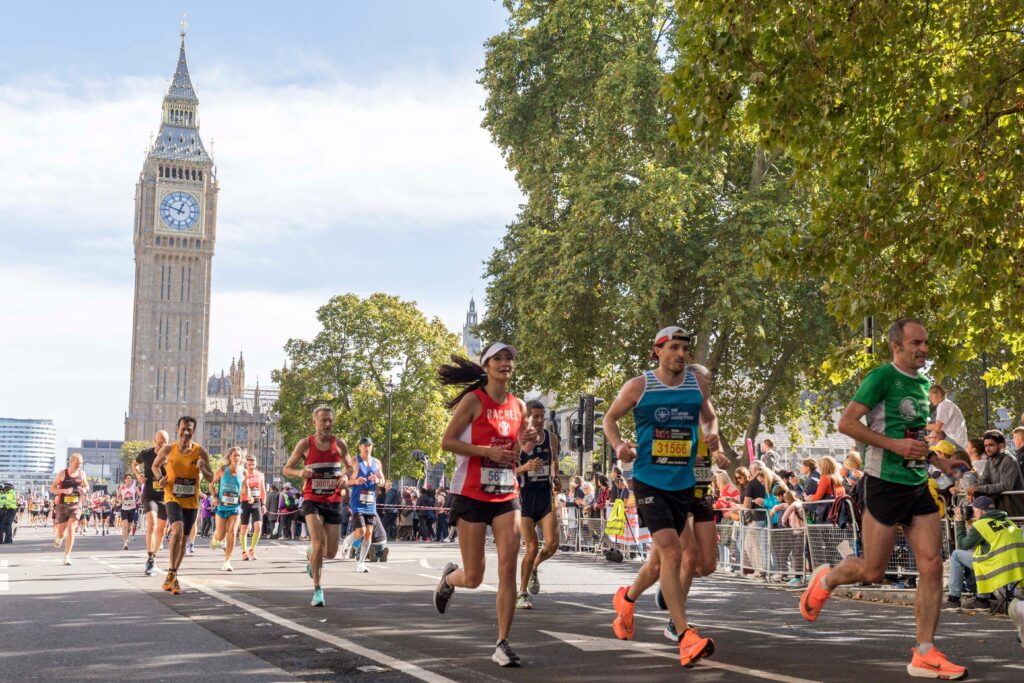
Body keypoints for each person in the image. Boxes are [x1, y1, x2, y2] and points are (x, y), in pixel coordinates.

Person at [800, 318, 967, 679]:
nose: (923, 349)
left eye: (925, 343)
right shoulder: (881, 378)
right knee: (873, 572)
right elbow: (846, 424)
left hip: (917, 484)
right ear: (897, 346)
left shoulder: (923, 384)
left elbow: (914, 438)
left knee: (933, 566)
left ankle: (924, 652)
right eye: (915, 343)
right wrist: (893, 445)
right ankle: (827, 579)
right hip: (882, 483)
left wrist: (938, 459)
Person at [603, 326, 720, 667]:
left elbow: (710, 418)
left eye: (685, 348)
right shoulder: (639, 386)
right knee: (671, 553)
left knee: (683, 558)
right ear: (657, 351)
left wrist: (711, 437)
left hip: (683, 483)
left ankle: (626, 600)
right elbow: (610, 419)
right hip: (649, 481)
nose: (681, 354)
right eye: (674, 347)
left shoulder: (696, 385)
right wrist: (618, 446)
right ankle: (685, 636)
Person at [432, 342, 538, 667]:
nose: (506, 363)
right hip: (472, 493)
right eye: (499, 358)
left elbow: (518, 446)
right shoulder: (473, 401)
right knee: (475, 576)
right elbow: (447, 442)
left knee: (508, 567)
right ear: (487, 365)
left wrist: (526, 441)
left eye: (510, 359)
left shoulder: (518, 405)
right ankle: (450, 578)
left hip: (507, 494)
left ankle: (502, 643)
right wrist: (485, 452)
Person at [282, 405, 352, 607]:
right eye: (323, 420)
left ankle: (311, 555)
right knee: (318, 542)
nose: (327, 423)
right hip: (312, 499)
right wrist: (300, 473)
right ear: (315, 421)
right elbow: (287, 468)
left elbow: (350, 465)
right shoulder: (305, 444)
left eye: (330, 420)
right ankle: (318, 590)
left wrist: (346, 477)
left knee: (329, 552)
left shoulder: (339, 444)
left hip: (333, 501)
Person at [153, 416, 214, 595]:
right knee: (177, 531)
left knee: (184, 540)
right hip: (172, 496)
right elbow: (155, 467)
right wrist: (160, 478)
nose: (186, 432)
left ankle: (173, 574)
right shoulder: (168, 449)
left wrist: (203, 468)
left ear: (193, 431)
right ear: (177, 428)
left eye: (190, 429)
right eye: (183, 428)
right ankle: (171, 573)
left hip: (191, 500)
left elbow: (211, 478)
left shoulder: (200, 451)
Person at [515, 400, 560, 610]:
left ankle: (534, 567)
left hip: (544, 494)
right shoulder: (518, 439)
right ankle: (522, 593)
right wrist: (525, 467)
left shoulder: (551, 438)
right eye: (536, 416)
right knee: (531, 546)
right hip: (525, 497)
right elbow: (509, 470)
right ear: (527, 418)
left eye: (542, 416)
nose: (540, 420)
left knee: (552, 544)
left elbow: (554, 462)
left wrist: (556, 477)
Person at [341, 437, 384, 573]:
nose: (368, 448)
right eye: (365, 445)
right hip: (357, 502)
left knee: (369, 533)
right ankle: (348, 541)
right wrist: (355, 481)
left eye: (370, 445)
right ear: (360, 447)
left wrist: (377, 480)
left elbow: (382, 481)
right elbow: (344, 480)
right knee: (361, 531)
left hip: (370, 502)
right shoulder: (355, 461)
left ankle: (361, 564)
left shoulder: (376, 462)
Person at [134, 430, 169, 576]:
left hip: (165, 495)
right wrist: (139, 476)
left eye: (165, 442)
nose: (162, 445)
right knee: (152, 524)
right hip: (149, 493)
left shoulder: (170, 455)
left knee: (160, 530)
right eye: (160, 442)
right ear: (154, 441)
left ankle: (153, 557)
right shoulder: (146, 453)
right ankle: (149, 557)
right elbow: (134, 464)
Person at [968, 430, 1024, 518]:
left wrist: (979, 488)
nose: (987, 449)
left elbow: (1006, 485)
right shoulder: (989, 461)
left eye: (991, 445)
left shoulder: (1010, 460)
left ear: (1001, 445)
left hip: (1014, 510)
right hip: (999, 509)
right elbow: (982, 481)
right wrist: (973, 490)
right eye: (985, 446)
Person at [50, 453, 89, 565]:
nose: (79, 465)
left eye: (81, 463)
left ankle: (67, 556)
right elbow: (52, 489)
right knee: (61, 533)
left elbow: (87, 486)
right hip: (62, 505)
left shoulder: (82, 474)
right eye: (77, 463)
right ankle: (59, 537)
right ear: (71, 462)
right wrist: (63, 491)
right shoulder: (62, 473)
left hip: (76, 504)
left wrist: (84, 490)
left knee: (72, 528)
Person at [210, 447, 245, 571]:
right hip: (221, 507)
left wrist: (249, 495)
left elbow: (246, 486)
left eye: (239, 456)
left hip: (235, 507)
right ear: (230, 457)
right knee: (221, 535)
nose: (237, 458)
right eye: (234, 455)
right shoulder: (222, 470)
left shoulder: (243, 472)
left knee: (232, 532)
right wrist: (214, 496)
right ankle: (215, 537)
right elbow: (211, 484)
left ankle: (227, 561)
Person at [238, 455, 266, 561]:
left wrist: (263, 504)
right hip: (244, 502)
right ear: (246, 464)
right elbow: (238, 487)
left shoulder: (260, 475)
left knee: (258, 527)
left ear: (256, 464)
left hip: (257, 502)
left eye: (253, 464)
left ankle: (252, 550)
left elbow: (262, 490)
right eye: (249, 464)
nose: (251, 466)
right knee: (244, 528)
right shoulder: (241, 474)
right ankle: (244, 552)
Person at [926, 385, 968, 449]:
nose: (930, 399)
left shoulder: (943, 405)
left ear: (938, 394)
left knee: (933, 451)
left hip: (955, 440)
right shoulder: (947, 403)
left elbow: (937, 427)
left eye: (931, 396)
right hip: (959, 441)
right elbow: (939, 429)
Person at [117, 474, 140, 551]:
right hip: (124, 509)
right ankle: (125, 543)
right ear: (124, 480)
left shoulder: (134, 487)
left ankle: (126, 537)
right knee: (125, 525)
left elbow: (141, 496)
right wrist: (121, 501)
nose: (129, 480)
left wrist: (136, 502)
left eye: (130, 478)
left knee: (129, 527)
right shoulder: (122, 487)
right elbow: (117, 497)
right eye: (128, 478)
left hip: (132, 509)